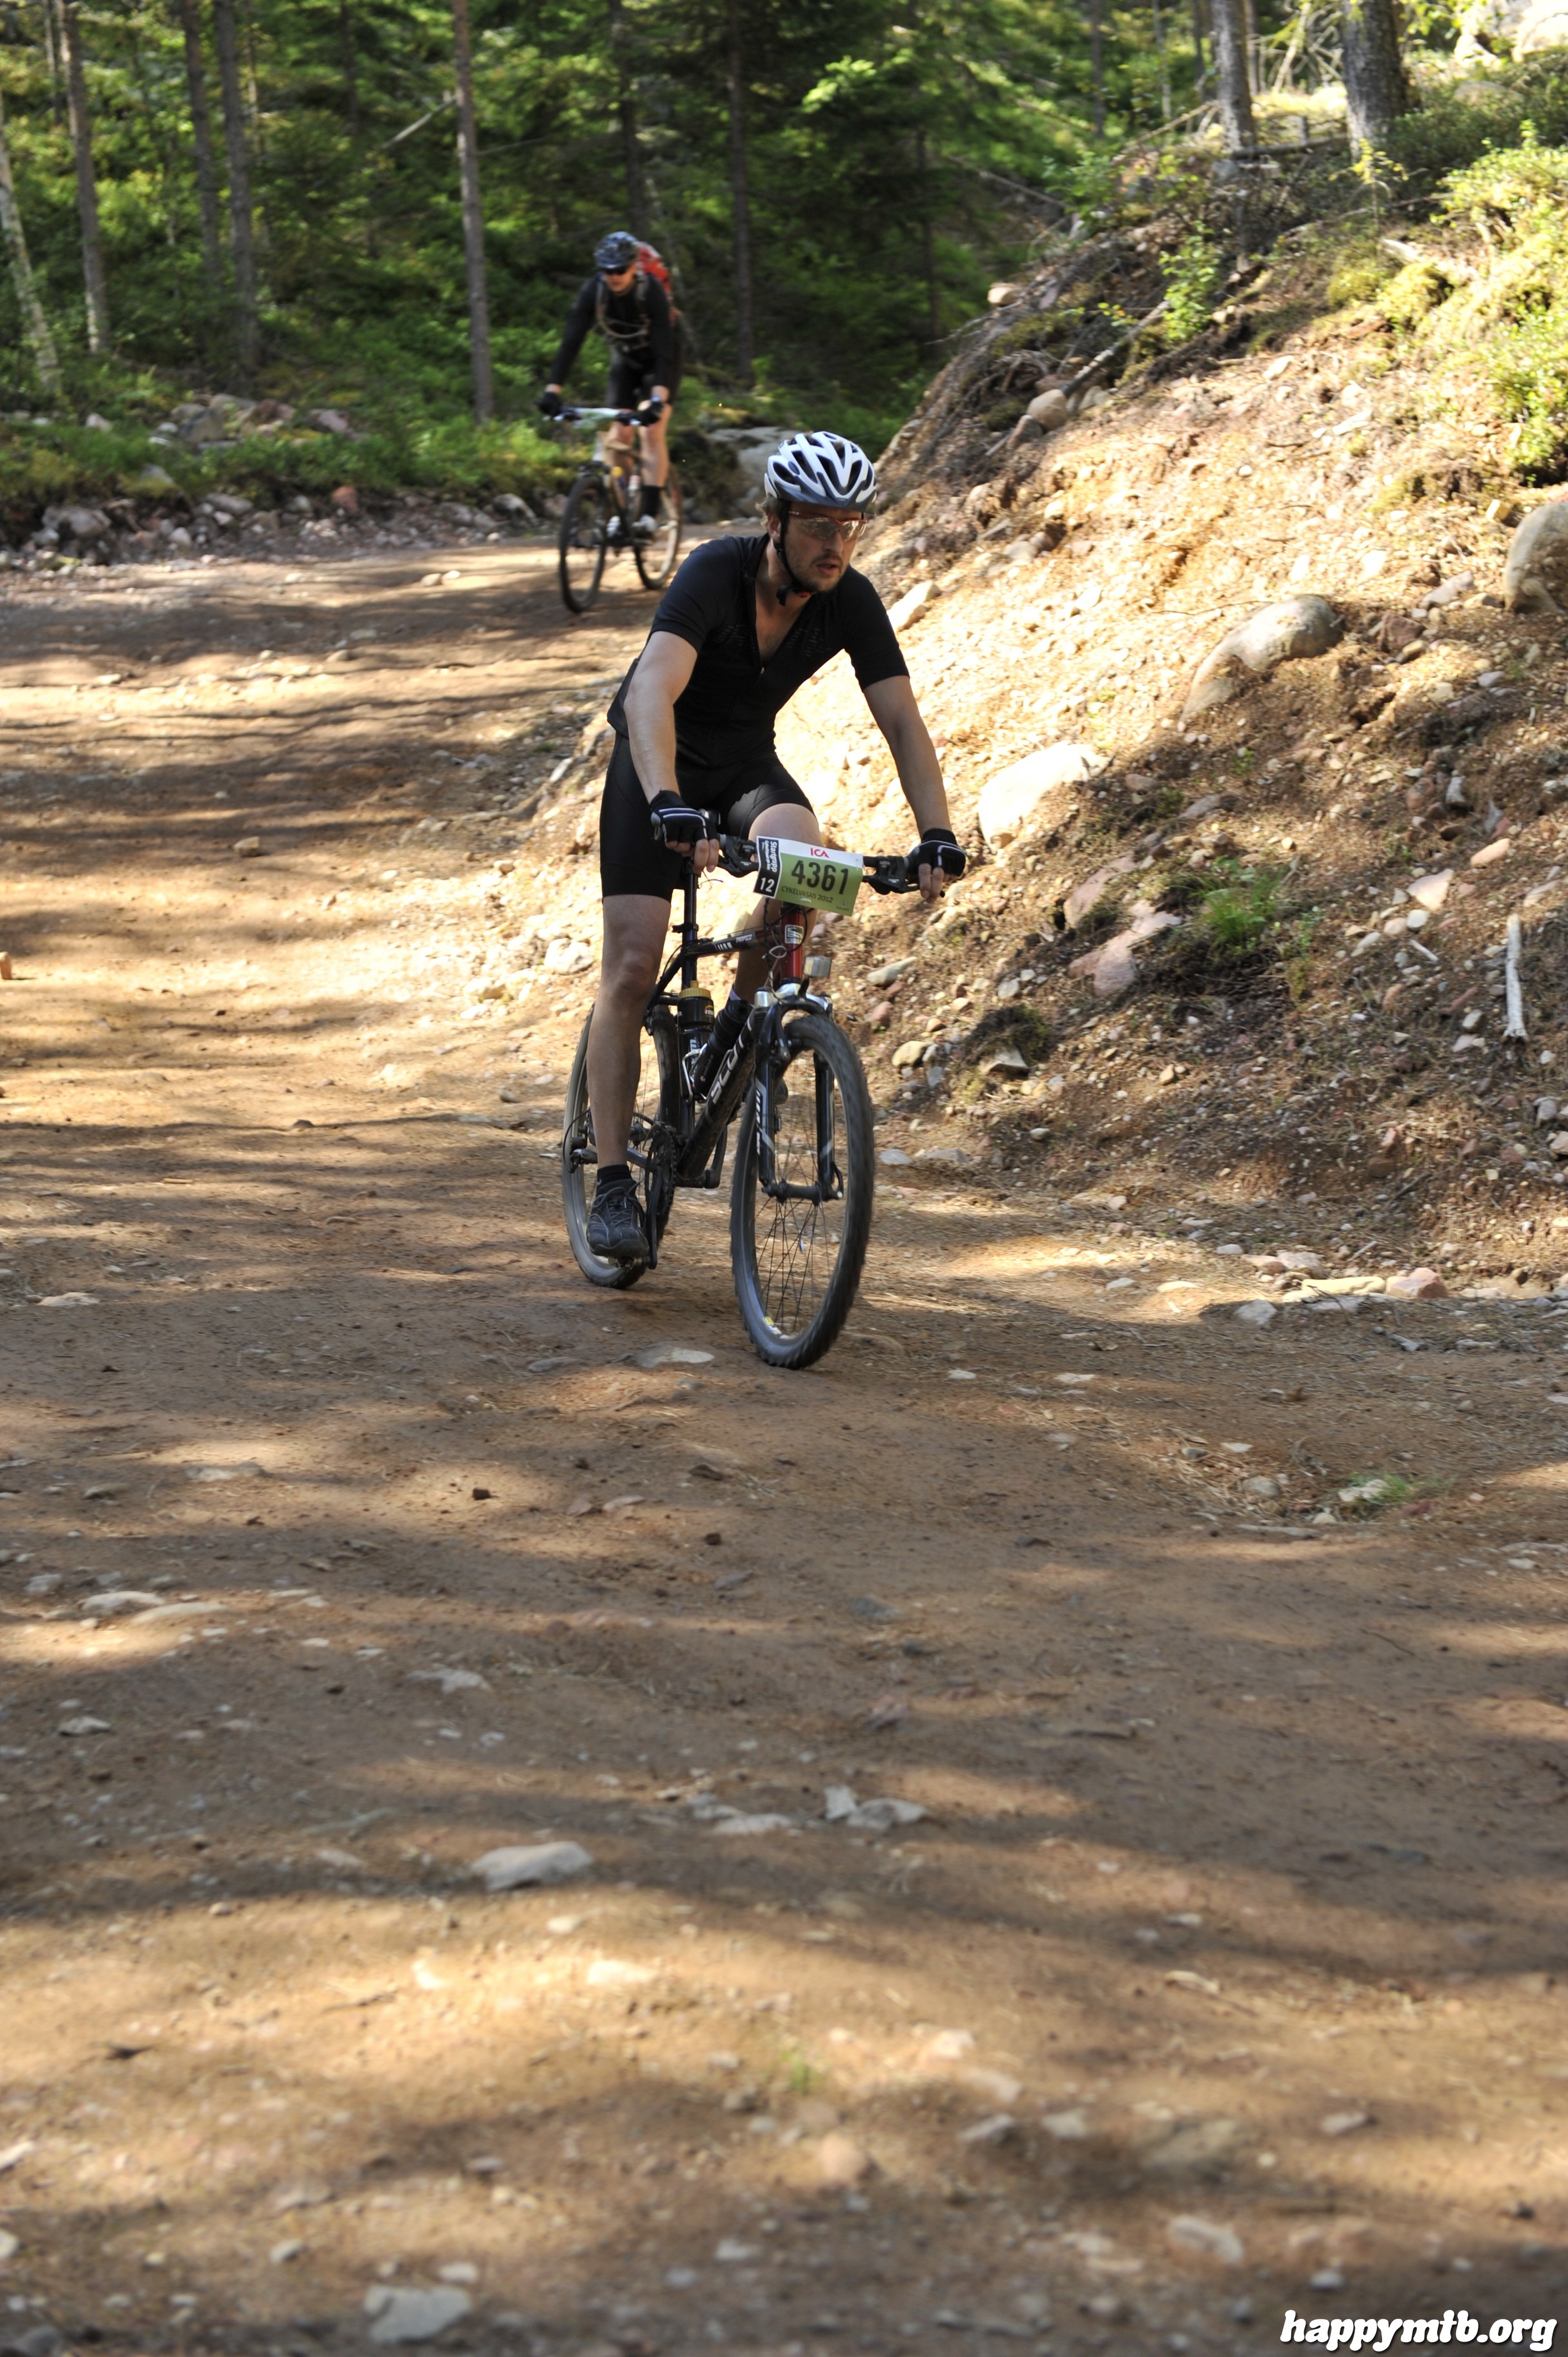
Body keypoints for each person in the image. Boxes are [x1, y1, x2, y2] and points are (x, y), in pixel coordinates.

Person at [583, 428, 967, 1265]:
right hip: (656, 765)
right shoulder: (714, 572)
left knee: (808, 867)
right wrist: (667, 802)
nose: (837, 543)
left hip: (746, 768)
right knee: (633, 964)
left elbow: (902, 720)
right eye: (819, 524)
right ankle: (612, 1183)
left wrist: (936, 832)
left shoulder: (848, 598)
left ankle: (736, 1029)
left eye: (851, 525)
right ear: (775, 519)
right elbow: (651, 690)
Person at [538, 230, 677, 534]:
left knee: (651, 430)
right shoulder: (595, 289)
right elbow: (571, 341)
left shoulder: (650, 289)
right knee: (619, 431)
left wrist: (657, 399)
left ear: (633, 267)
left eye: (620, 270)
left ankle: (649, 515)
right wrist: (553, 391)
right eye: (607, 270)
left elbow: (664, 350)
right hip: (625, 358)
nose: (614, 276)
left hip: (660, 359)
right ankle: (622, 509)